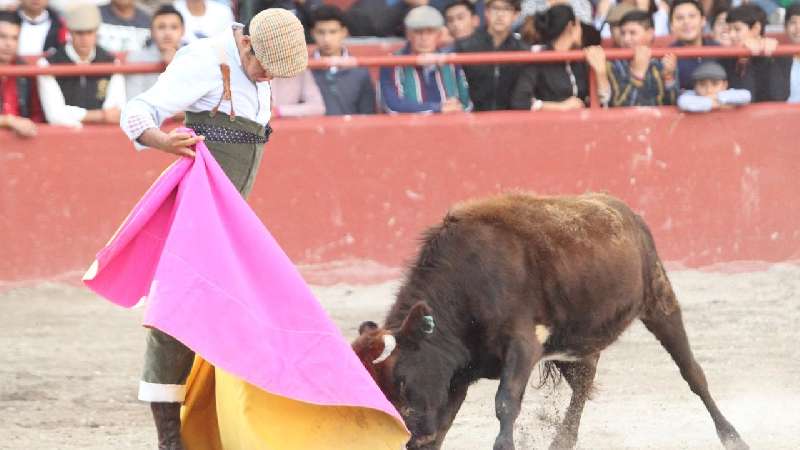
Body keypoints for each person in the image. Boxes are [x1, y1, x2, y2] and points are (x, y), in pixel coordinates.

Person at [118, 8, 308, 448]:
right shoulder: (203, 60)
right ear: (246, 44)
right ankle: (170, 439)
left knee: (230, 311)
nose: (266, 78)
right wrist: (160, 140)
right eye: (264, 67)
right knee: (177, 316)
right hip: (197, 214)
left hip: (232, 215)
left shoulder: (260, 61)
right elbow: (138, 108)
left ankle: (225, 425)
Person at [35, 2, 125, 127]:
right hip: (63, 138)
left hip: (100, 136)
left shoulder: (111, 61)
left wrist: (76, 115)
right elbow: (55, 115)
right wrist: (101, 116)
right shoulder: (48, 64)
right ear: (70, 32)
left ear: (96, 32)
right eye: (79, 33)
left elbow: (116, 111)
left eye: (89, 32)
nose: (84, 38)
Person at [511, 4, 609, 110]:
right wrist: (560, 107)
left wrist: (601, 74)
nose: (582, 31)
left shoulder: (581, 58)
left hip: (582, 123)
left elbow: (602, 103)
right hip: (548, 124)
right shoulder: (538, 59)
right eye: (579, 24)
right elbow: (520, 101)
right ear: (571, 26)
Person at [379, 5, 472, 113]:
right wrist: (438, 108)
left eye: (430, 32)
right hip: (409, 127)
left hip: (450, 125)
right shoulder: (392, 62)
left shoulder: (451, 61)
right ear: (408, 34)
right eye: (418, 32)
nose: (424, 38)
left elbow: (465, 103)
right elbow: (393, 106)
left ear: (439, 34)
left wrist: (457, 107)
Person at [454, 0, 526, 111]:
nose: (500, 15)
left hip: (511, 119)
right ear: (486, 12)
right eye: (495, 8)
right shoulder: (464, 47)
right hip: (473, 117)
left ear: (516, 15)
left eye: (507, 9)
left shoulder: (523, 50)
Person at [309, 4, 376, 115]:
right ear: (312, 33)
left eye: (333, 32)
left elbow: (367, 115)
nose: (327, 39)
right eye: (321, 32)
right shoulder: (303, 70)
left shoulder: (360, 71)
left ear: (344, 32)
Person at [606, 10, 677, 106]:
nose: (626, 39)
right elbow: (620, 107)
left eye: (632, 33)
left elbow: (673, 105)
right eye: (623, 33)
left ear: (650, 34)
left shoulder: (663, 60)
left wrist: (669, 78)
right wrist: (637, 76)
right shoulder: (612, 64)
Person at [722, 4, 786, 101]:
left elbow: (778, 96)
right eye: (729, 30)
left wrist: (763, 57)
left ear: (756, 28)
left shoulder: (779, 54)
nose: (731, 35)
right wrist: (743, 59)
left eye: (737, 29)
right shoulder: (727, 56)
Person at [125, 5, 184, 99]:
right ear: (151, 32)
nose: (167, 33)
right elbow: (134, 101)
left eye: (174, 27)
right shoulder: (136, 58)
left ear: (183, 31)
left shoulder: (194, 58)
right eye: (161, 27)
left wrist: (174, 66)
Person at [0, 10, 42, 136]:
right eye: (2, 36)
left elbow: (36, 114)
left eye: (14, 38)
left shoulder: (25, 70)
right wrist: (9, 121)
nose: (9, 44)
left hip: (22, 144)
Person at [669, 0, 719, 90]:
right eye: (680, 18)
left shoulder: (720, 50)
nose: (686, 22)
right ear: (672, 25)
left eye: (692, 16)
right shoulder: (666, 56)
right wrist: (668, 76)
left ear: (703, 20)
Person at [677, 60, 751, 112]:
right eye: (702, 84)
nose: (709, 89)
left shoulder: (727, 93)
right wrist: (719, 104)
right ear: (695, 86)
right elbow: (683, 102)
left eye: (715, 84)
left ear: (724, 85)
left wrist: (717, 97)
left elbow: (746, 95)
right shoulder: (692, 94)